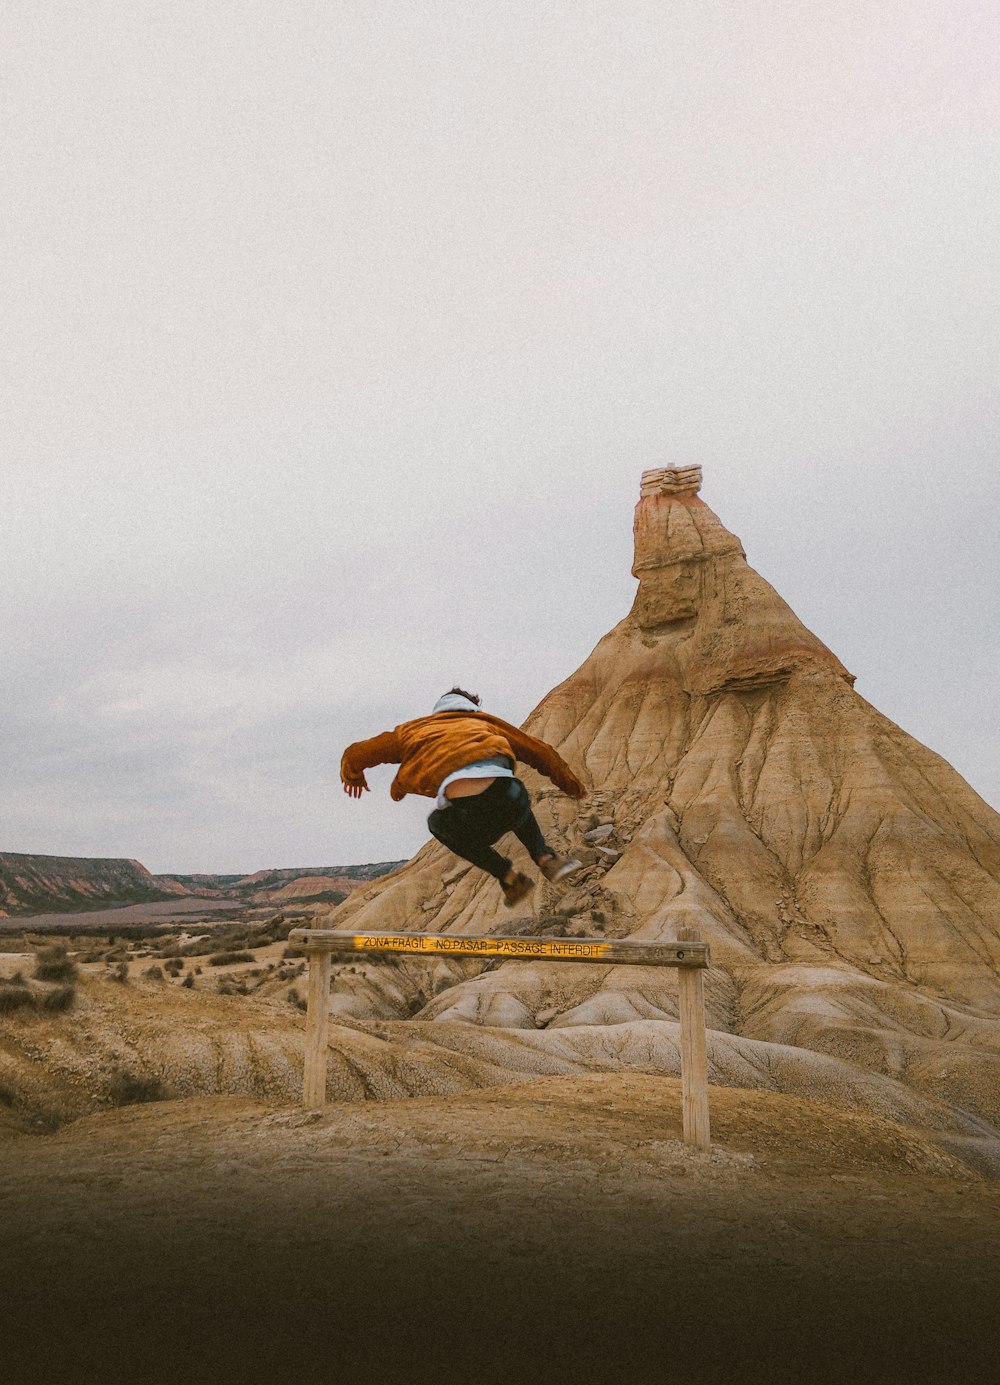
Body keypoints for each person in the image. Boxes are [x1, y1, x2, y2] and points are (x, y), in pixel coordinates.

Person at [340, 687, 586, 906]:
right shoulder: (485, 723)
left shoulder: (415, 730)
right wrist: (574, 788)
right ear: (473, 707)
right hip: (510, 800)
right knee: (509, 793)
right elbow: (540, 751)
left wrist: (353, 776)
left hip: (468, 818)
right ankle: (545, 858)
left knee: (436, 822)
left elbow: (357, 753)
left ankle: (509, 878)